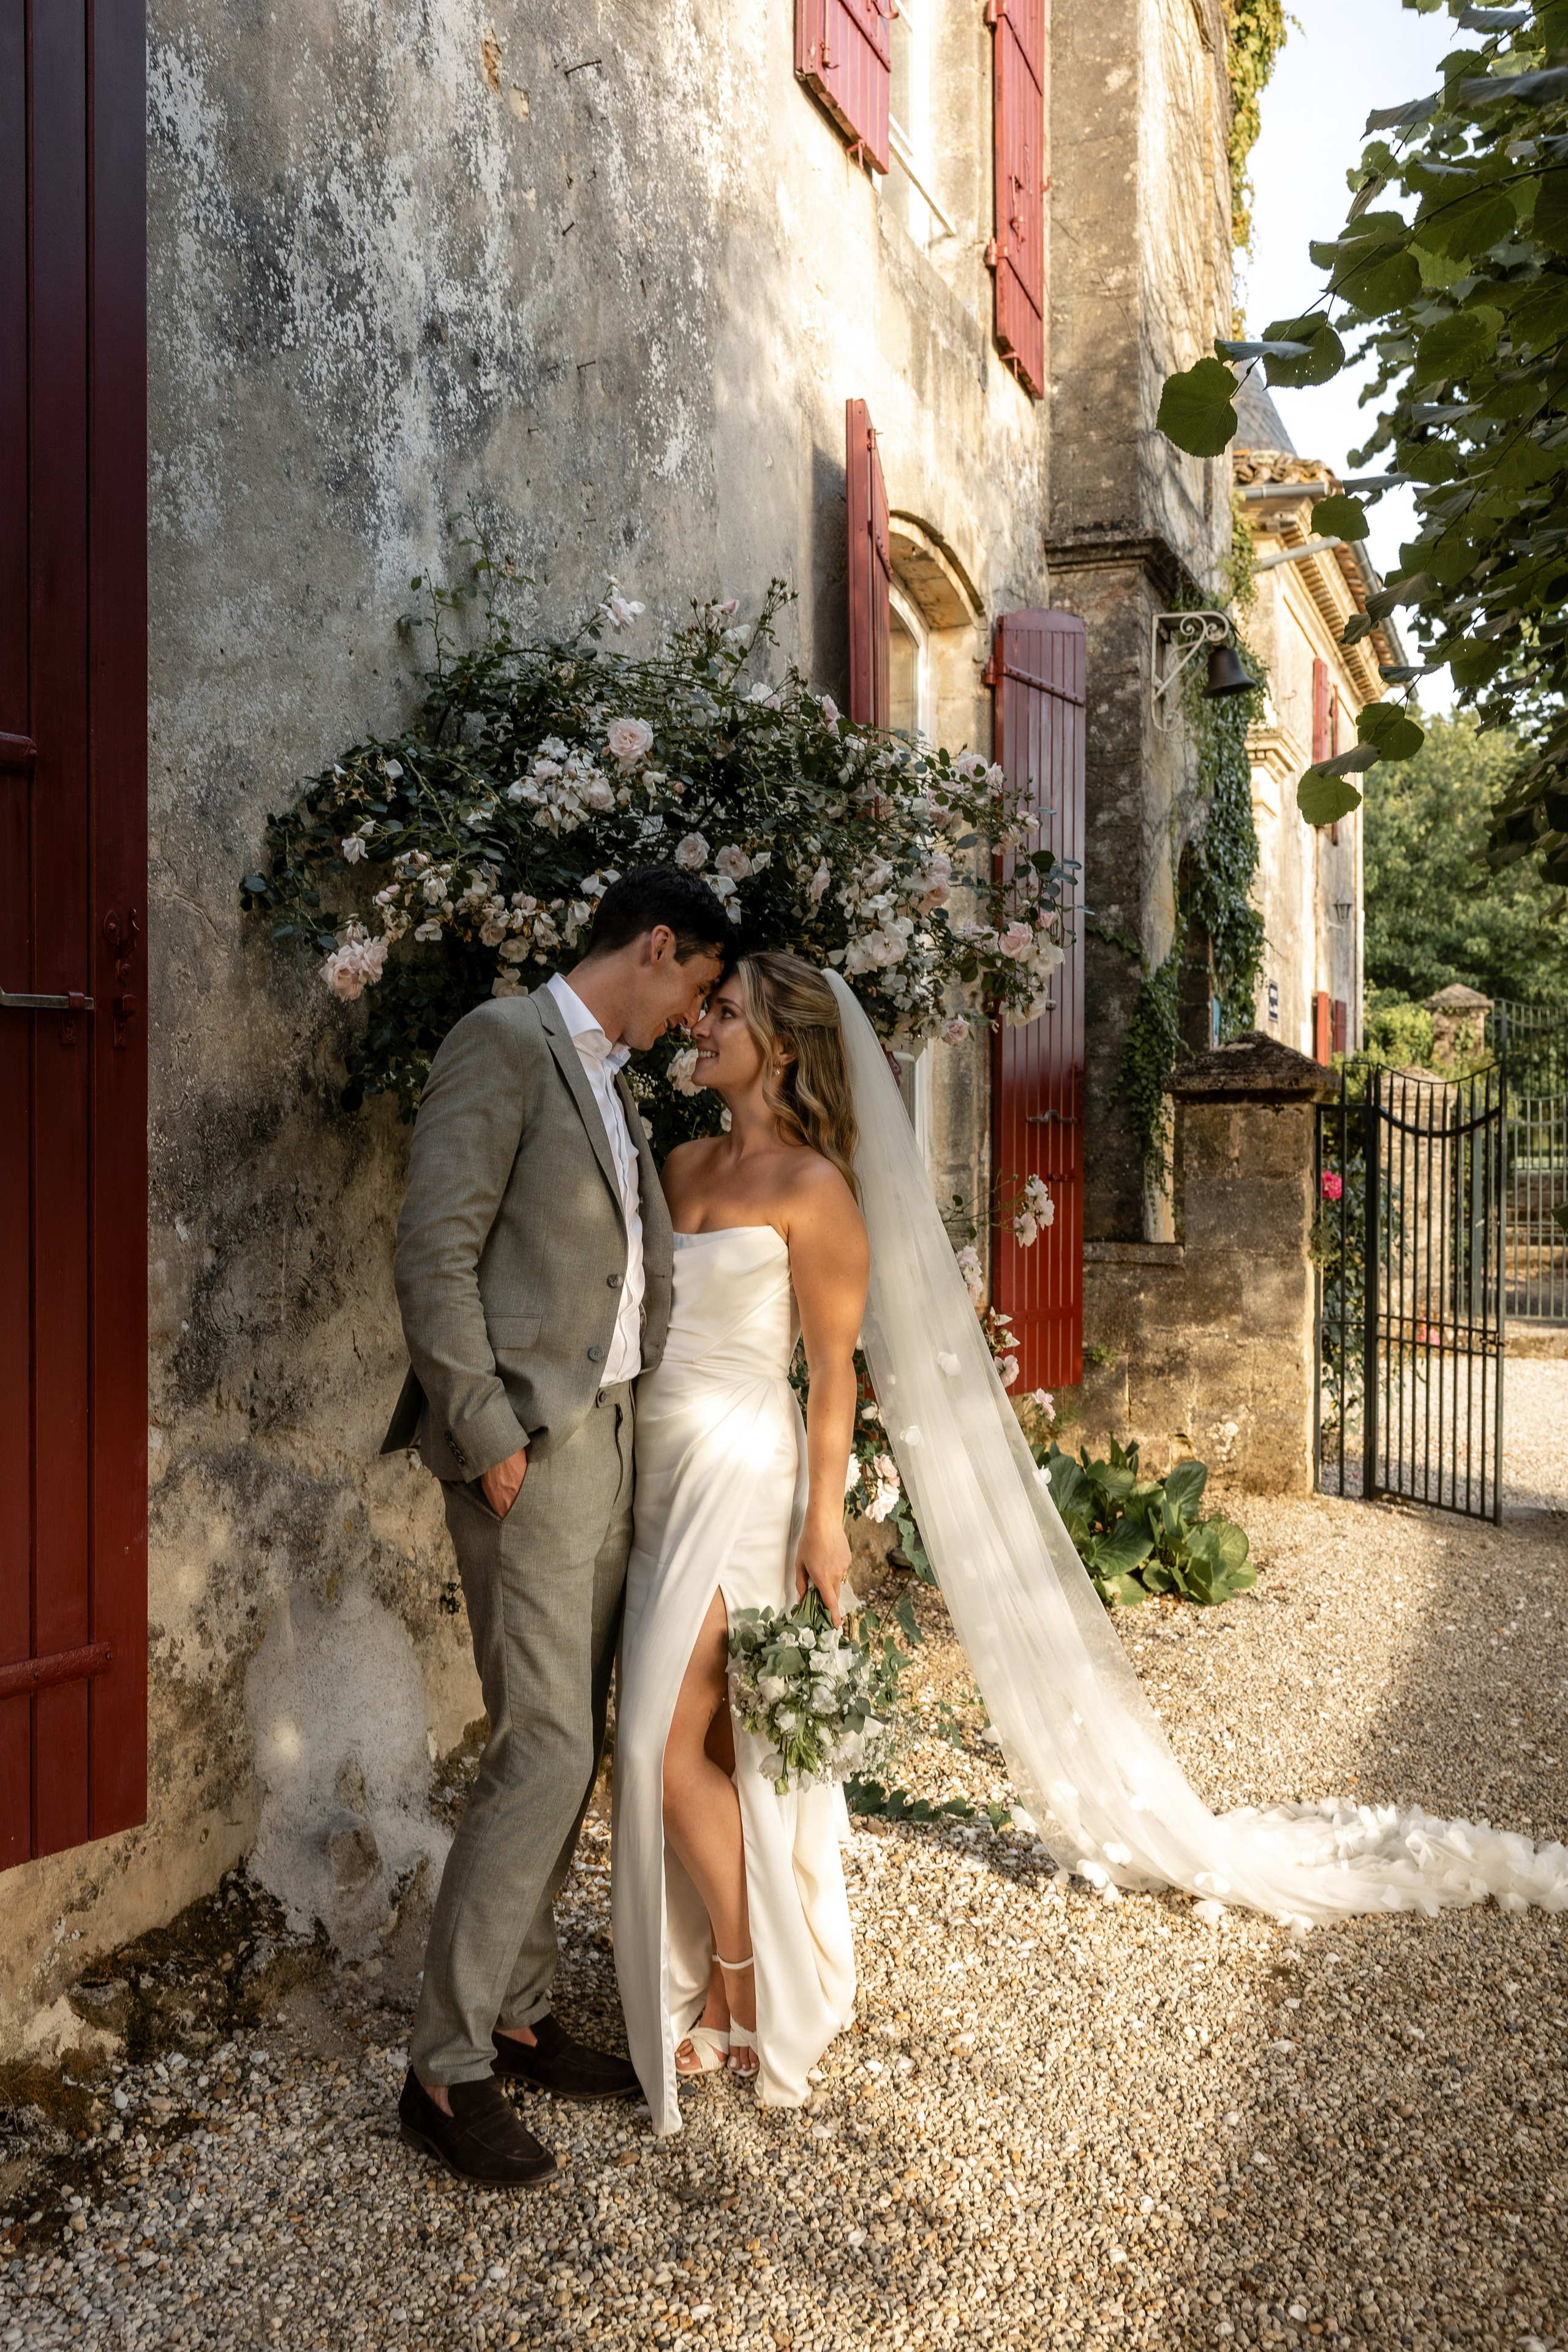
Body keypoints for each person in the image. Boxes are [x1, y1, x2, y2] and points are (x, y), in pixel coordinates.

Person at [385, 865, 731, 2188]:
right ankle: (443, 2066)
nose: (688, 1016)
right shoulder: (502, 1039)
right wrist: (485, 1434)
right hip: (530, 1453)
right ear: (655, 946)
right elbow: (434, 1247)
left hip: (616, 1446)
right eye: (694, 986)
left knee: (572, 1744)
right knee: (539, 1746)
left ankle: (519, 2008)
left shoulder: (611, 1075)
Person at [612, 952, 867, 2132]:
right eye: (706, 1008)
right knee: (703, 1733)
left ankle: (746, 1972)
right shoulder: (677, 1164)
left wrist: (827, 1523)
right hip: (657, 1464)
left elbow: (831, 1373)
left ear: (784, 1048)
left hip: (745, 1469)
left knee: (662, 1740)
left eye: (725, 1014)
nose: (701, 1026)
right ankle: (725, 1971)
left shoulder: (816, 1189)